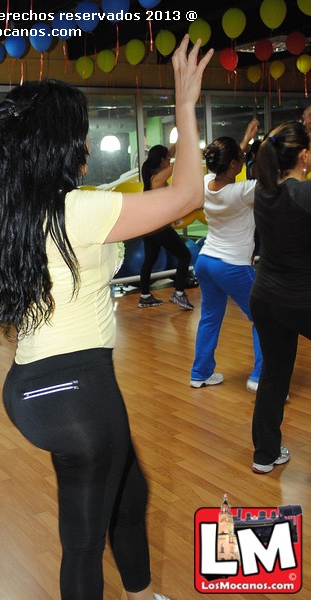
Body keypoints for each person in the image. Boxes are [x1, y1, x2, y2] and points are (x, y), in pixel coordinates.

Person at [0, 36, 213, 600]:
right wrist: (186, 104)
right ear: (58, 146)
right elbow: (189, 191)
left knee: (129, 492)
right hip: (79, 391)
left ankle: (143, 592)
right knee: (82, 542)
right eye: (81, 133)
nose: (88, 141)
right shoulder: (84, 209)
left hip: (36, 386)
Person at [250, 121, 311, 474]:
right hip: (301, 300)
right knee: (274, 374)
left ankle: (265, 454)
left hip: (267, 298)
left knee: (274, 376)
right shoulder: (302, 195)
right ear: (303, 155)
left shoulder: (263, 189)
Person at [190, 119, 263, 390]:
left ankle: (199, 374)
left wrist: (244, 140)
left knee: (209, 317)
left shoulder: (207, 181)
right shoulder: (244, 191)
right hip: (232, 265)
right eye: (239, 159)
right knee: (264, 317)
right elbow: (278, 180)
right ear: (234, 164)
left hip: (206, 261)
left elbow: (226, 165)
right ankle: (260, 376)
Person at [138, 144, 194, 310]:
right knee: (185, 255)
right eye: (167, 159)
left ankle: (145, 296)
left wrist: (181, 139)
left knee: (150, 260)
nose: (170, 160)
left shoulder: (151, 174)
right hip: (158, 226)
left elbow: (169, 154)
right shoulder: (158, 178)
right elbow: (179, 164)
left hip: (148, 226)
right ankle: (178, 294)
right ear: (161, 161)